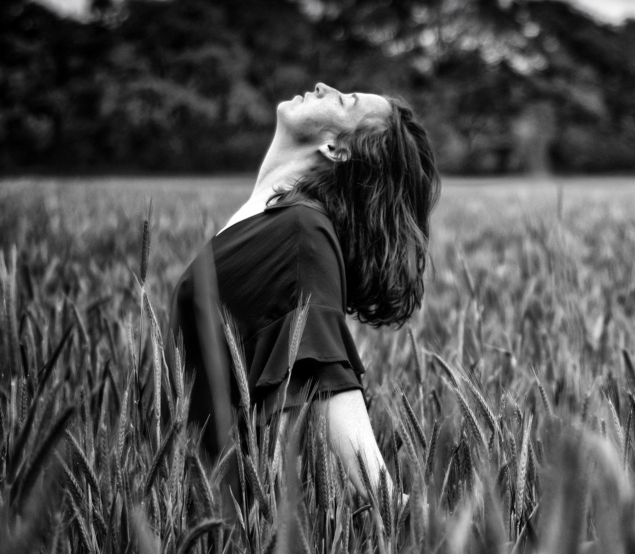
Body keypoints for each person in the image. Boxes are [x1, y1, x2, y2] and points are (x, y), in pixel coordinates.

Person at [166, 82, 440, 504]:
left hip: (226, 515)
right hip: (195, 500)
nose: (324, 86)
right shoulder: (274, 219)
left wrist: (390, 502)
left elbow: (323, 369)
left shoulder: (299, 233)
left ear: (336, 149)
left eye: (345, 101)